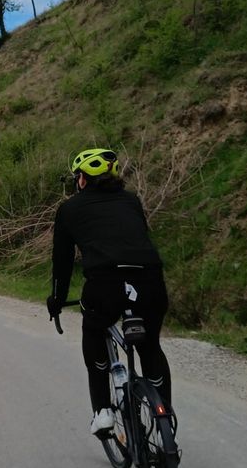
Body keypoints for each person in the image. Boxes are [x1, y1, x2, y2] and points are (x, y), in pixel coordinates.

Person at [46, 147, 174, 436]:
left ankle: (103, 410)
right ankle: (164, 418)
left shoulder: (69, 209)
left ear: (82, 179)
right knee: (149, 345)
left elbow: (62, 262)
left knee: (93, 329)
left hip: (104, 284)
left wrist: (57, 299)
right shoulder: (132, 201)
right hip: (150, 281)